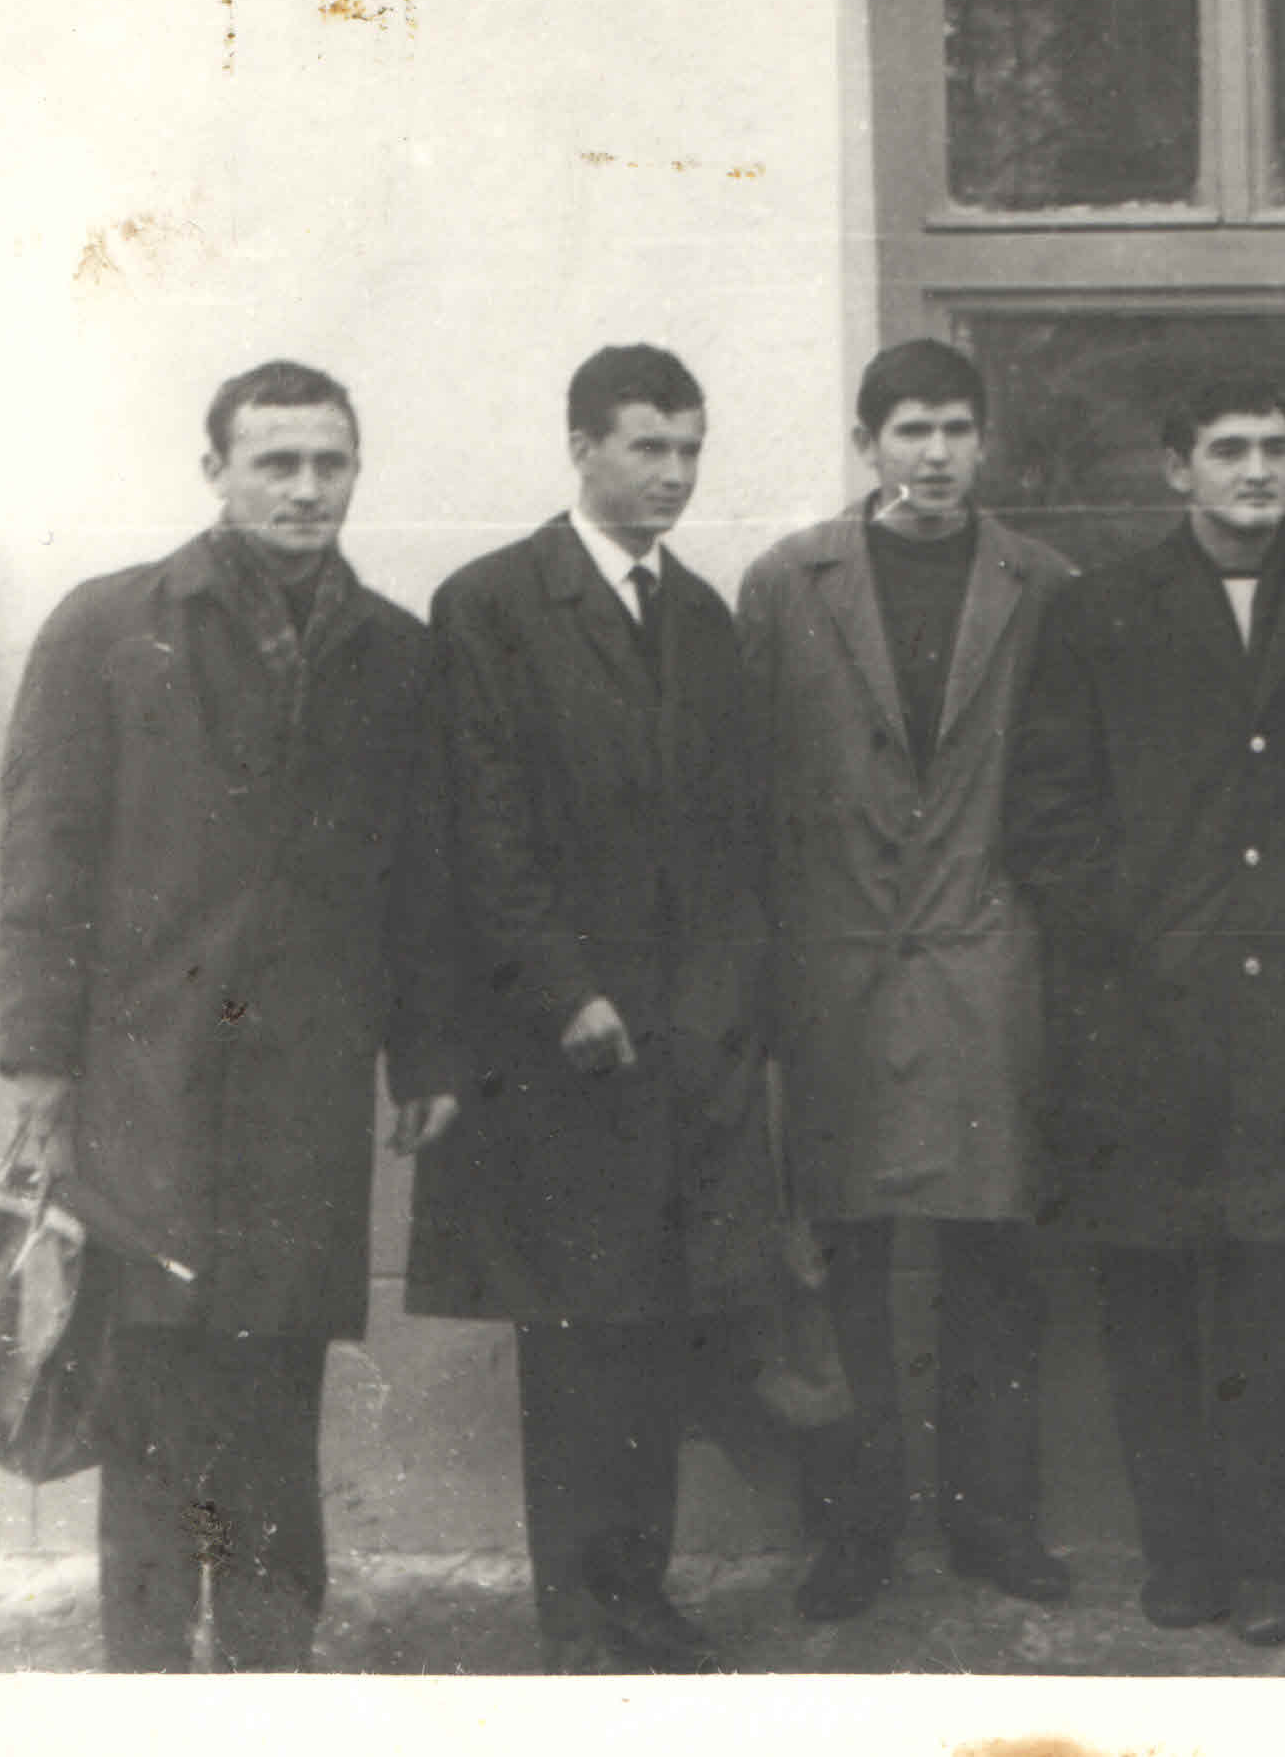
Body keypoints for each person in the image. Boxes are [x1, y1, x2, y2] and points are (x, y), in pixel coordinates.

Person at [0, 359, 454, 1671]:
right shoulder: (108, 627)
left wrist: (425, 1051)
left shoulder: (396, 653)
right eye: (276, 463)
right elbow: (45, 858)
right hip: (144, 1079)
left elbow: (422, 874)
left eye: (330, 463)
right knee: (147, 1393)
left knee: (272, 1391)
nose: (307, 489)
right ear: (216, 473)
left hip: (303, 1090)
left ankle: (267, 1681)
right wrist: (39, 1066)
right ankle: (148, 1686)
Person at [1002, 378, 1285, 1649]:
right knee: (1145, 1294)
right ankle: (1178, 1558)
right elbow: (1046, 818)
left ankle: (1263, 1563)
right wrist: (1130, 953)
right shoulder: (1097, 613)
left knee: (1262, 1289)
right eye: (1227, 450)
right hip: (1135, 1021)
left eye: (1276, 449)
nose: (1256, 471)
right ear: (1175, 469)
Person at [404, 344, 775, 1674]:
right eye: (646, 448)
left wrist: (724, 1007)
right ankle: (578, 1614)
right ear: (582, 449)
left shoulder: (702, 617)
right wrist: (564, 991)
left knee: (661, 1325)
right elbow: (482, 831)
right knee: (574, 1339)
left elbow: (729, 839)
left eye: (689, 450)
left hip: (681, 1046)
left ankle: (642, 1593)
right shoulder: (494, 604)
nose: (673, 475)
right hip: (557, 1050)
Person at [734, 339, 1078, 1621]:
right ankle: (852, 1532)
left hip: (985, 958)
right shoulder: (790, 582)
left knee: (995, 1259)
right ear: (866, 443)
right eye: (910, 431)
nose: (935, 455)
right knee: (841, 1263)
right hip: (836, 968)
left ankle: (997, 1524)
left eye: (955, 430)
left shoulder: (1040, 583)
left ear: (986, 441)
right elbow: (749, 785)